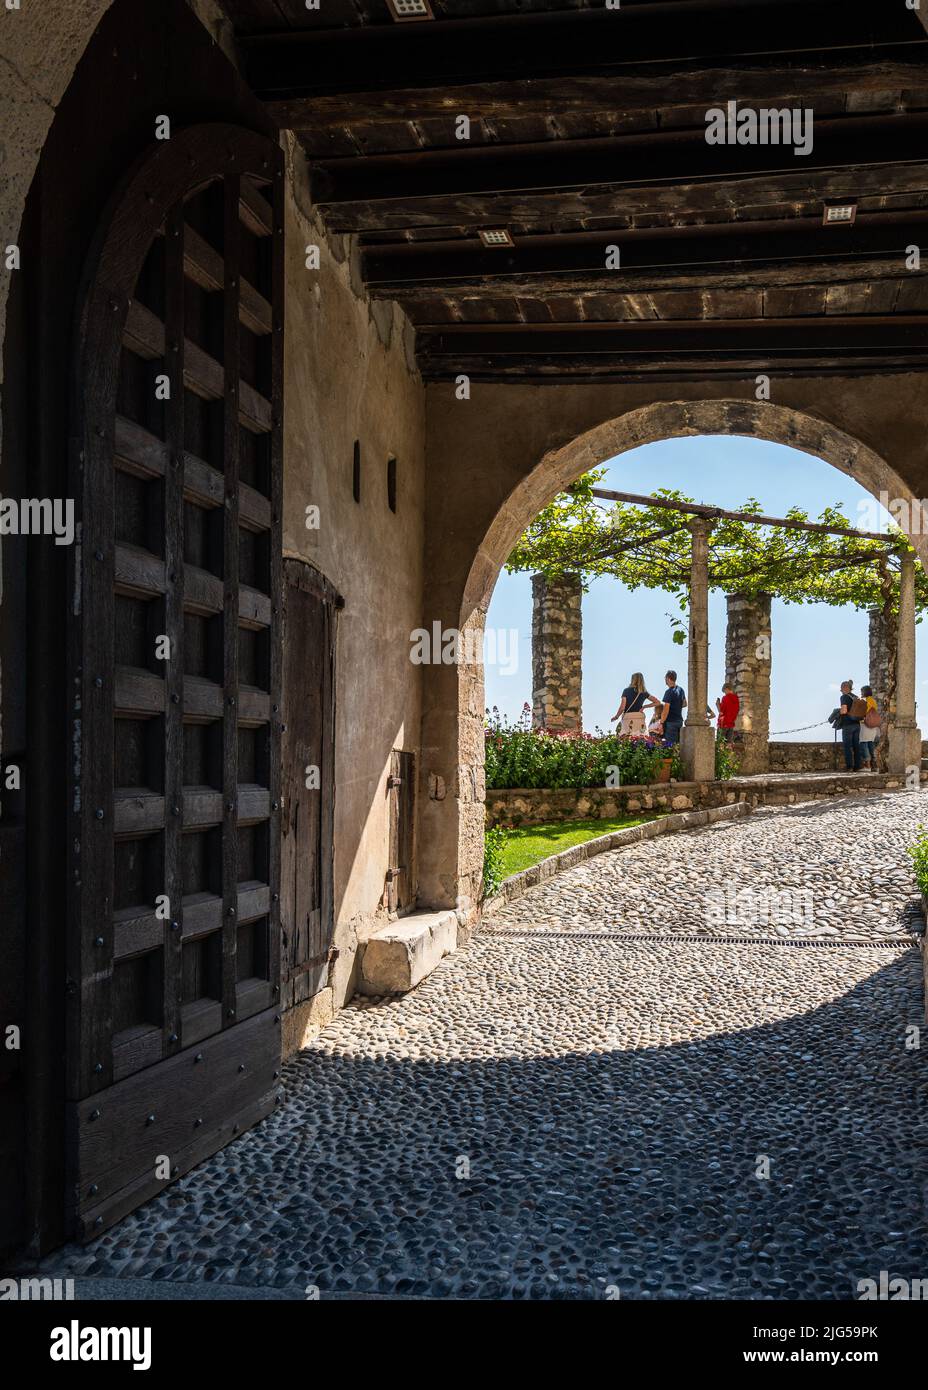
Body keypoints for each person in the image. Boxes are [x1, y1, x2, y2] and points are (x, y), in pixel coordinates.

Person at [610, 672, 661, 737]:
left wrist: (616, 716)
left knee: (626, 738)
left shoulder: (626, 691)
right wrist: (644, 706)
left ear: (633, 680)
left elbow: (622, 707)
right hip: (639, 717)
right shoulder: (644, 692)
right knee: (639, 739)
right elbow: (657, 702)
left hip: (628, 718)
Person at [838, 678, 864, 772]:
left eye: (841, 689)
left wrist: (839, 712)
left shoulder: (844, 697)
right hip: (857, 725)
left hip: (848, 725)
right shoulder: (856, 697)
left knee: (847, 746)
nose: (840, 691)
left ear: (844, 688)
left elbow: (844, 710)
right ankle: (857, 766)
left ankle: (849, 766)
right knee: (856, 746)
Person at [659, 669, 687, 747]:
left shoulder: (668, 692)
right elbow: (685, 704)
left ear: (668, 678)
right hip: (679, 721)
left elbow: (666, 710)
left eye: (665, 678)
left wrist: (661, 722)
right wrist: (676, 706)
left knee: (670, 747)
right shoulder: (681, 690)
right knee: (678, 745)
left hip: (671, 722)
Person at [858, 684, 880, 770]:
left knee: (864, 743)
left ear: (865, 692)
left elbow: (864, 712)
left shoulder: (866, 701)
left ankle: (867, 765)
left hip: (865, 724)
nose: (861, 693)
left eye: (862, 691)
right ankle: (874, 765)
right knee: (871, 744)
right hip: (873, 725)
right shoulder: (873, 701)